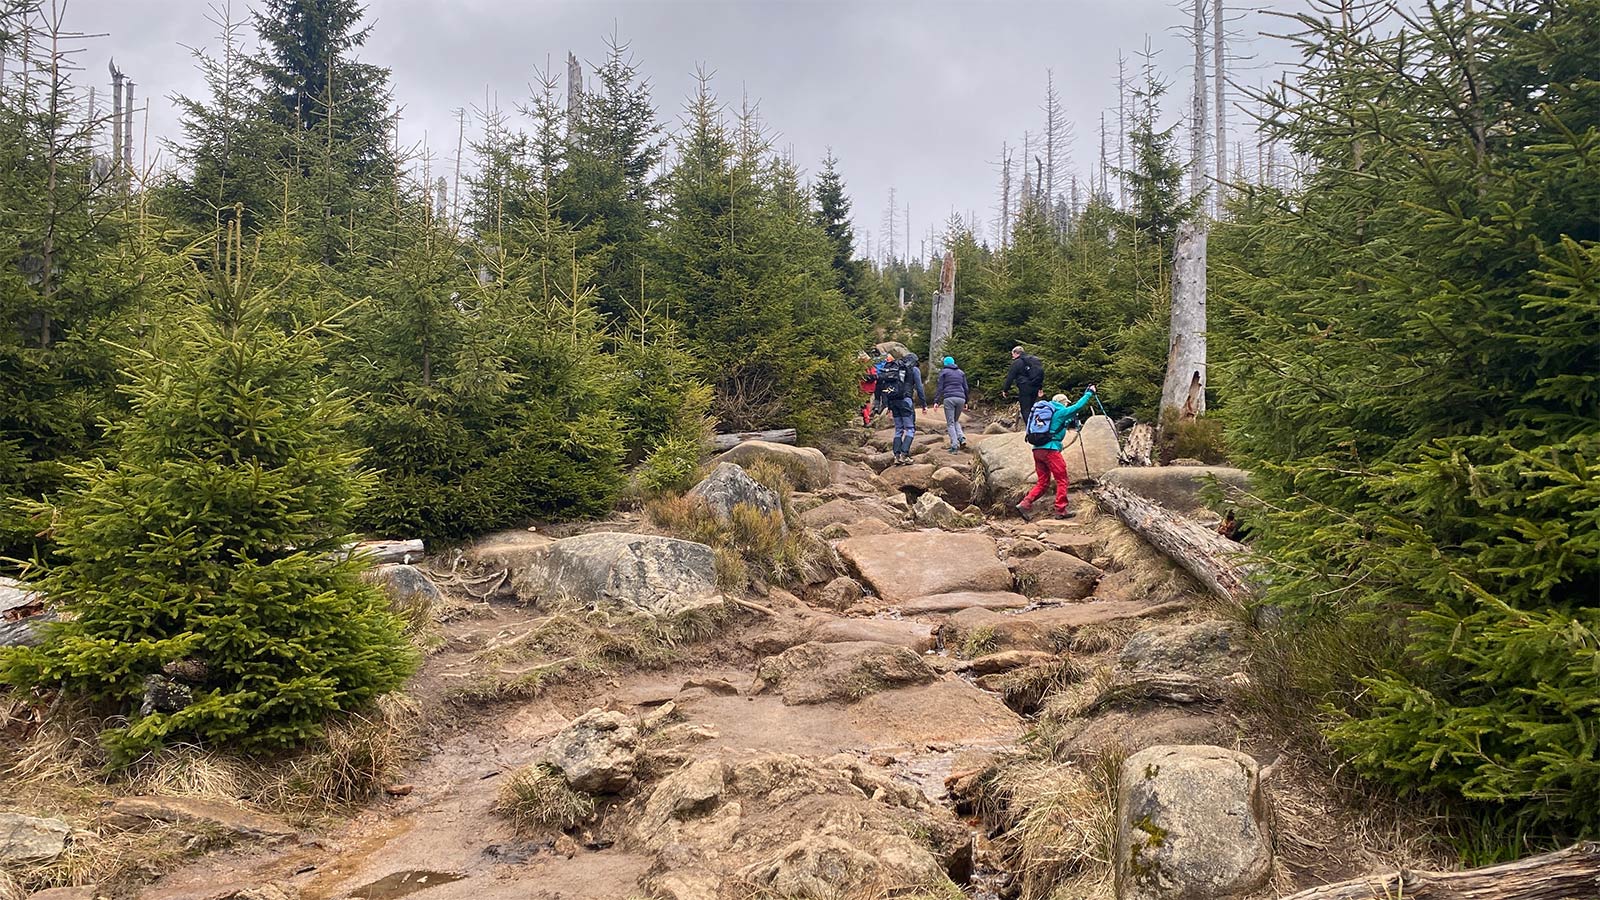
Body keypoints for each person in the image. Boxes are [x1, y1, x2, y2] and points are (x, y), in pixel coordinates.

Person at [1016, 386, 1097, 521]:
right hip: (1050, 451)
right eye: (1066, 404)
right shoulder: (1060, 411)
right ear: (1063, 403)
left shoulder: (1045, 412)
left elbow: (1058, 424)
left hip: (1037, 450)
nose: (1066, 406)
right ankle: (1061, 510)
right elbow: (1077, 407)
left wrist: (1069, 421)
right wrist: (1089, 393)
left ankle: (1025, 503)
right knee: (1062, 479)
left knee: (1043, 482)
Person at [872, 351, 926, 465]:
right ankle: (904, 455)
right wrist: (924, 404)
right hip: (905, 400)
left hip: (893, 401)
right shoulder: (913, 370)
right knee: (910, 429)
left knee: (898, 430)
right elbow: (920, 388)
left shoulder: (894, 369)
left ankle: (896, 456)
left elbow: (881, 385)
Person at [1002, 345, 1045, 426]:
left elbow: (1010, 377)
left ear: (1016, 353)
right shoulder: (1033, 360)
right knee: (1033, 408)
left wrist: (1005, 390)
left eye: (1012, 354)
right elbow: (1039, 374)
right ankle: (1037, 426)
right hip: (1035, 387)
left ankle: (1030, 428)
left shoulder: (1017, 362)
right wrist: (1040, 387)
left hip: (1024, 388)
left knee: (1025, 409)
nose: (1012, 356)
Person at [935, 355, 969, 451]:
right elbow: (966, 388)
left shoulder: (944, 372)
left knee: (950, 423)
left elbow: (940, 388)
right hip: (961, 398)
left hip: (949, 398)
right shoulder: (961, 373)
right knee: (956, 420)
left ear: (945, 363)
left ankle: (954, 445)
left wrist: (936, 401)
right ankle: (961, 437)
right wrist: (966, 401)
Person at [856, 350, 881, 427]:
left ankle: (866, 420)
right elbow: (876, 375)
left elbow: (859, 377)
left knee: (863, 404)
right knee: (868, 403)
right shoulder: (871, 367)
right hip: (871, 388)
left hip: (863, 388)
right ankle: (868, 418)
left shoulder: (860, 367)